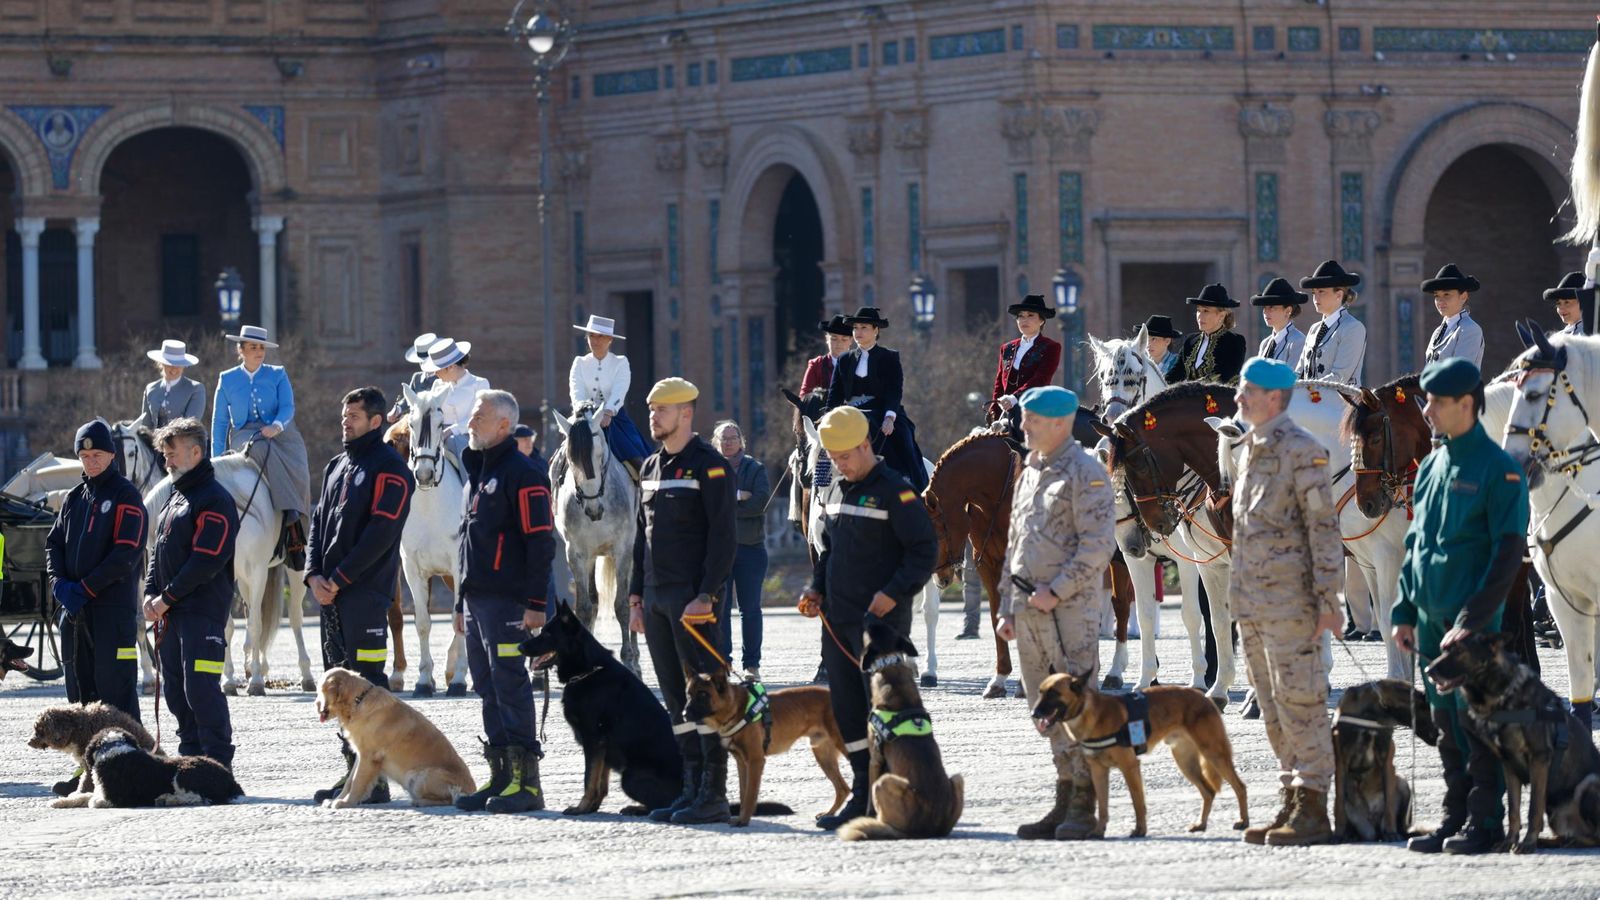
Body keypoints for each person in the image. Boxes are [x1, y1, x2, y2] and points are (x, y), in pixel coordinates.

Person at [1393, 357, 1529, 855]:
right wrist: (1403, 611)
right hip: (1429, 618)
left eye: (1435, 402)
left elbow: (1508, 552)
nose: (1426, 410)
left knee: (1475, 722)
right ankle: (1454, 816)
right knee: (1445, 722)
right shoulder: (1432, 464)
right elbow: (1417, 544)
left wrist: (1473, 621)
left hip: (1471, 622)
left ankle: (1486, 821)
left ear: (1466, 405)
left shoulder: (1499, 470)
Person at [797, 405, 938, 831]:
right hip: (837, 625)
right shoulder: (839, 490)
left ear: (865, 445)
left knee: (887, 713)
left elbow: (923, 552)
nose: (839, 464)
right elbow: (830, 551)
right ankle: (863, 788)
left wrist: (892, 594)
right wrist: (815, 587)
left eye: (844, 456)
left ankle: (896, 788)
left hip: (881, 630)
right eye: (833, 458)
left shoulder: (898, 491)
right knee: (846, 709)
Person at [1227, 358, 1343, 846]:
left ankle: (1314, 803)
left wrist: (1328, 600)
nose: (1238, 399)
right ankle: (1292, 795)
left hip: (1292, 604)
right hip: (1253, 605)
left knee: (1302, 702)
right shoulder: (1250, 448)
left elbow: (1323, 529)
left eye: (1246, 391)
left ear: (1274, 397)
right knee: (1271, 706)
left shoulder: (1303, 450)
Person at [994, 386, 1115, 840]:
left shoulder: (1085, 472)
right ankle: (1064, 795)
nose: (1022, 427)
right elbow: (1015, 545)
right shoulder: (1030, 470)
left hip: (1069, 613)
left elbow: (1099, 545)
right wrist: (1007, 607)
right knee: (1043, 709)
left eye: (1031, 420)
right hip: (1027, 612)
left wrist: (1057, 589)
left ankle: (1086, 806)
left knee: (1077, 709)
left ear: (1060, 424)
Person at [626, 377, 739, 825]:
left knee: (706, 697)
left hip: (693, 602)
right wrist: (635, 596)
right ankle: (689, 788)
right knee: (676, 700)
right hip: (655, 598)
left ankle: (713, 793)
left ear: (686, 413)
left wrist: (707, 594)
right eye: (652, 410)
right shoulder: (651, 465)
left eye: (662, 410)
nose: (653, 417)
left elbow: (724, 539)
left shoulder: (709, 466)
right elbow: (641, 536)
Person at [305, 387, 415, 804]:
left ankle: (377, 779)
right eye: (343, 415)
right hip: (329, 595)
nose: (346, 421)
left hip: (365, 595)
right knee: (338, 690)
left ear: (377, 421)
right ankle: (353, 771)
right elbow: (317, 524)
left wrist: (340, 578)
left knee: (368, 687)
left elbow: (380, 535)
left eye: (354, 415)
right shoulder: (336, 465)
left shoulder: (391, 469)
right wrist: (314, 575)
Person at [452, 390, 556, 815]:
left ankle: (526, 785)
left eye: (479, 416)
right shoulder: (477, 471)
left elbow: (540, 541)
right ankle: (500, 776)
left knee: (511, 685)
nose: (471, 422)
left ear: (503, 425)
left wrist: (536, 603)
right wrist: (459, 602)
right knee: (486, 685)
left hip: (510, 602)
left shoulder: (524, 473)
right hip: (477, 603)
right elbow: (466, 542)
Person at [143, 418, 240, 768]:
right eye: (164, 454)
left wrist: (165, 597)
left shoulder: (215, 499)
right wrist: (150, 593)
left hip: (202, 613)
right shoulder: (174, 497)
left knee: (200, 689)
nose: (166, 462)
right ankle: (190, 757)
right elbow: (159, 552)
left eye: (172, 454)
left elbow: (205, 561)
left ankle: (217, 762)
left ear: (196, 452)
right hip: (170, 615)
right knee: (175, 690)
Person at [44, 420, 148, 721]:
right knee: (80, 696)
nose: (91, 461)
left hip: (112, 613)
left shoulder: (126, 496)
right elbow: (53, 545)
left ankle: (130, 763)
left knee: (116, 696)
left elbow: (125, 555)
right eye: (85, 456)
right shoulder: (75, 498)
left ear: (112, 456)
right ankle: (89, 763)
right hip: (75, 613)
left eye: (97, 455)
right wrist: (60, 584)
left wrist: (85, 588)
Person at [211, 324, 311, 568]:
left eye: (261, 347)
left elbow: (288, 407)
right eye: (253, 347)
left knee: (300, 462)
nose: (259, 351)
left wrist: (277, 425)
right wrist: (214, 460)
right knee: (259, 447)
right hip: (245, 434)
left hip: (280, 432)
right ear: (241, 349)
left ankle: (297, 528)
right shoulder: (227, 379)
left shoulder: (277, 374)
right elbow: (220, 421)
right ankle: (289, 512)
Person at [825, 306, 929, 491]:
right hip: (853, 413)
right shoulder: (844, 360)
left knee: (904, 439)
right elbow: (835, 395)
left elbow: (894, 391)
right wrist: (827, 420)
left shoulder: (889, 357)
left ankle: (915, 487)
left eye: (864, 327)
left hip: (883, 411)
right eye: (855, 328)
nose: (858, 332)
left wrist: (889, 418)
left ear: (876, 330)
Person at [713, 420, 770, 681]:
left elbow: (759, 503)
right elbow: (706, 504)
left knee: (750, 610)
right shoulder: (710, 468)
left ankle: (752, 665)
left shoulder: (755, 468)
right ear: (717, 441)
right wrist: (739, 496)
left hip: (750, 550)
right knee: (720, 610)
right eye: (723, 438)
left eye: (732, 437)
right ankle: (723, 662)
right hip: (719, 551)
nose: (728, 442)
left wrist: (727, 504)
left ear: (741, 440)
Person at [570, 315, 650, 476]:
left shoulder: (620, 362)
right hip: (584, 419)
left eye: (600, 336)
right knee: (560, 459)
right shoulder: (579, 362)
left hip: (613, 419)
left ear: (610, 340)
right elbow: (576, 391)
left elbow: (620, 390)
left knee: (639, 461)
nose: (595, 340)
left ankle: (647, 493)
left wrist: (608, 412)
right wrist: (584, 412)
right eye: (591, 335)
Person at [986, 294, 1062, 425]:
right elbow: (999, 383)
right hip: (1005, 414)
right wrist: (994, 413)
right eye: (1020, 316)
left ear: (1041, 320)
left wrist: (1015, 398)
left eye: (1030, 315)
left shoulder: (1051, 347)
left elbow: (1041, 379)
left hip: (1035, 411)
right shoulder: (1007, 348)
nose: (1024, 320)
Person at [1295, 260, 1367, 384]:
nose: (1315, 298)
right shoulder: (1314, 329)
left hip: (1341, 402)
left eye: (1321, 292)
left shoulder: (1353, 328)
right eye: (1314, 293)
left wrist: (1305, 391)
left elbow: (1339, 378)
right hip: (1309, 400)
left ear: (1338, 295)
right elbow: (1299, 372)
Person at [419, 337, 489, 462]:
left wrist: (451, 430)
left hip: (470, 436)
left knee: (453, 442)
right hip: (437, 436)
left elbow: (480, 418)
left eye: (437, 369)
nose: (435, 373)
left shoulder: (480, 384)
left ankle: (470, 481)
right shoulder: (437, 385)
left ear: (451, 367)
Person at [1166, 284, 1246, 385]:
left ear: (1221, 316)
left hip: (1221, 399)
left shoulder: (1234, 341)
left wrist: (1191, 387)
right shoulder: (1190, 341)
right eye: (1198, 311)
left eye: (1206, 311)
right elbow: (1175, 374)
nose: (1199, 316)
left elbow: (1225, 375)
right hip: (1190, 398)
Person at [1421, 264, 1485, 369]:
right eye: (1436, 296)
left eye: (1446, 295)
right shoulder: (1437, 332)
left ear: (1463, 296)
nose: (1440, 301)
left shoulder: (1470, 329)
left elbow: (1458, 375)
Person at [133, 340, 206, 431]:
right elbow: (145, 426)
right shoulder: (151, 389)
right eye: (169, 364)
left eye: (178, 365)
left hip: (185, 442)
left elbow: (190, 426)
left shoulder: (195, 389)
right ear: (161, 364)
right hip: (154, 443)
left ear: (184, 366)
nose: (174, 369)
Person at [1250, 278, 1308, 366]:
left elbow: (1293, 377)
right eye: (1264, 307)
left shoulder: (1298, 341)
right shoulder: (1265, 343)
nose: (1266, 312)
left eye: (1272, 307)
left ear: (1288, 311)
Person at [387, 332, 438, 423]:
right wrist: (397, 409)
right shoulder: (417, 377)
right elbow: (408, 398)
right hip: (418, 423)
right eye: (422, 362)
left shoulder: (445, 377)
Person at [1544, 271, 1588, 336]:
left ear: (1583, 303)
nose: (1561, 308)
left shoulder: (1592, 334)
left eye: (1567, 302)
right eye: (1558, 303)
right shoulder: (1558, 336)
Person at [1141, 315, 1182, 380]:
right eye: (1146, 338)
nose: (1148, 344)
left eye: (1153, 339)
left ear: (1167, 341)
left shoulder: (1179, 363)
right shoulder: (1141, 364)